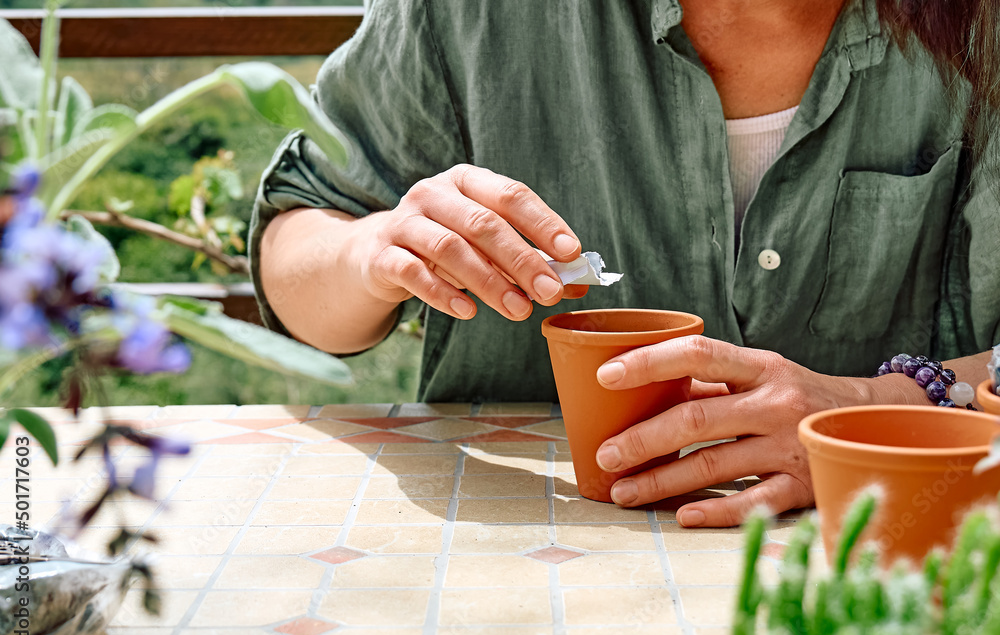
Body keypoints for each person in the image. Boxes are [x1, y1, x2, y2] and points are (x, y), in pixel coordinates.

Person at [250, 0, 1000, 527]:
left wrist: (867, 407)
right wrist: (372, 250)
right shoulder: (470, 14)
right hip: (507, 569)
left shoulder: (981, 32)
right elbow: (296, 256)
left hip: (886, 564)